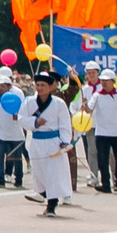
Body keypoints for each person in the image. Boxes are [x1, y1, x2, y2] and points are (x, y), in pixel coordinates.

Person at [22, 69, 75, 216]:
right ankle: (43, 193)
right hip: (37, 141)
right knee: (39, 171)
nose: (40, 88)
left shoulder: (59, 103)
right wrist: (35, 121)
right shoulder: (29, 102)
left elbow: (65, 124)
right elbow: (21, 118)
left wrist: (65, 141)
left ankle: (52, 204)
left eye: (43, 85)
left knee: (53, 173)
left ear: (50, 87)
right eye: (37, 85)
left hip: (53, 142)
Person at [88, 71, 117, 194]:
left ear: (113, 81)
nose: (103, 83)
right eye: (102, 81)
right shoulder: (97, 95)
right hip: (102, 132)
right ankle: (105, 184)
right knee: (102, 159)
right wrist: (84, 106)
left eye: (106, 81)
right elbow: (89, 109)